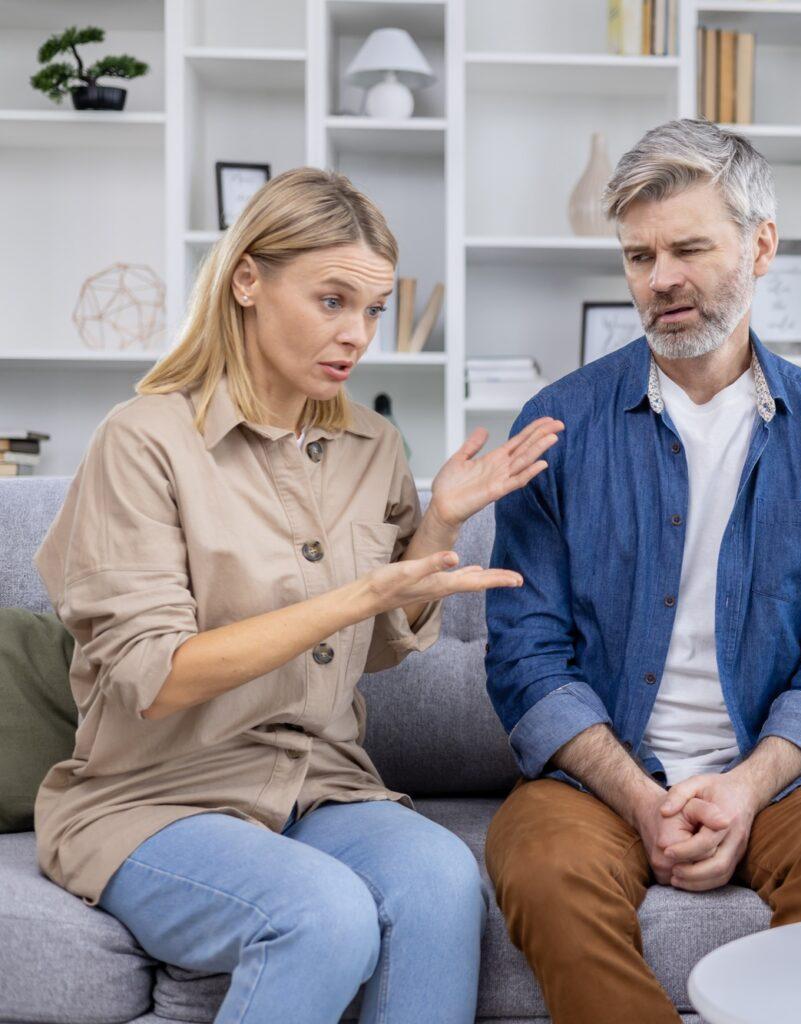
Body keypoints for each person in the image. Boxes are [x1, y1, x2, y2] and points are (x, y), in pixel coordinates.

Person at [31, 167, 563, 1024]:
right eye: (332, 300)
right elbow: (157, 677)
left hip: (319, 784)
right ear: (248, 279)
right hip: (154, 800)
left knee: (440, 879)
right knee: (322, 915)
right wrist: (355, 595)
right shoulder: (144, 443)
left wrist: (435, 529)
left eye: (374, 310)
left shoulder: (373, 446)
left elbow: (381, 644)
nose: (357, 335)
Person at [481, 119, 801, 1024]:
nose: (660, 278)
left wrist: (747, 788)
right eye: (638, 256)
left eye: (687, 248)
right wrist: (639, 798)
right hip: (601, 775)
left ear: (761, 247)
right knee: (542, 865)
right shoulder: (558, 425)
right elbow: (524, 653)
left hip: (780, 775)